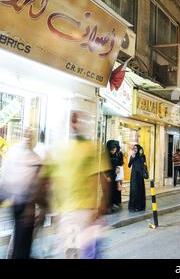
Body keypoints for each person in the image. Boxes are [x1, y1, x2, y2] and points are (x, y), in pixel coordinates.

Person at [43, 111, 111, 259]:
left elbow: (102, 179)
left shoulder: (92, 147)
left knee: (82, 253)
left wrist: (101, 206)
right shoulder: (55, 150)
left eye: (77, 120)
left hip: (86, 213)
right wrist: (54, 212)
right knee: (75, 253)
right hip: (70, 216)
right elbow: (48, 184)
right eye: (73, 120)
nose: (75, 124)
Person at [0, 128, 47, 259]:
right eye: (28, 135)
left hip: (17, 201)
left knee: (21, 241)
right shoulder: (34, 157)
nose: (29, 138)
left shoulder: (17, 152)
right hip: (23, 203)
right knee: (22, 243)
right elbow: (37, 185)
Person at [106, 140, 124, 212]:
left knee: (115, 189)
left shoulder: (118, 154)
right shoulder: (106, 155)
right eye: (113, 149)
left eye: (115, 149)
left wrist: (118, 168)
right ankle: (108, 205)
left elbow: (120, 164)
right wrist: (106, 176)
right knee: (108, 190)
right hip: (108, 175)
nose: (114, 150)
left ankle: (114, 203)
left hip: (115, 175)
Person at [128, 144, 147, 212]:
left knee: (140, 191)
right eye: (134, 148)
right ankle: (133, 206)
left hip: (140, 176)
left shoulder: (142, 156)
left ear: (139, 149)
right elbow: (129, 165)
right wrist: (132, 157)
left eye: (136, 148)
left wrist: (141, 155)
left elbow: (144, 165)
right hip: (134, 176)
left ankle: (140, 207)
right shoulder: (133, 156)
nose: (135, 149)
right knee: (134, 190)